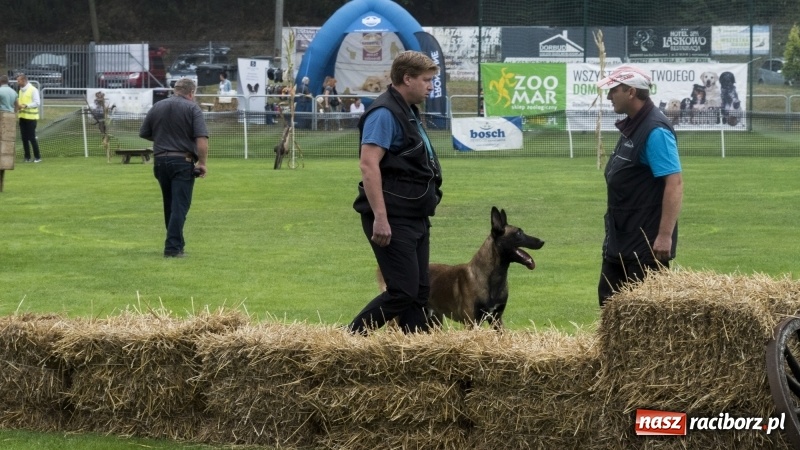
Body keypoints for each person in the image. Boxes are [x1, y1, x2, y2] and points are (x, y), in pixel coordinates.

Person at [348, 51, 443, 335]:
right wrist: (380, 217)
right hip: (392, 217)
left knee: (419, 292)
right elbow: (368, 164)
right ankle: (346, 339)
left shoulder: (408, 110)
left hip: (414, 215)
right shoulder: (384, 114)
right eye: (426, 80)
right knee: (402, 291)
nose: (430, 86)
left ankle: (415, 358)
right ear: (407, 78)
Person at [595, 65, 683, 307]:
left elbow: (674, 184)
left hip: (644, 246)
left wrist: (664, 236)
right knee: (609, 306)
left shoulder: (655, 130)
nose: (609, 95)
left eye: (614, 90)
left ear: (631, 92)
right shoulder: (634, 124)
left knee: (643, 319)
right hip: (620, 238)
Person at [139, 78, 209, 258]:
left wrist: (163, 139)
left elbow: (144, 133)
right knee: (180, 206)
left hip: (161, 161)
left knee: (169, 205)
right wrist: (202, 163)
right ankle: (172, 248)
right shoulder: (193, 108)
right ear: (191, 92)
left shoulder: (158, 106)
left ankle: (177, 244)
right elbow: (201, 139)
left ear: (175, 90)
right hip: (182, 161)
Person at [15, 74, 42, 163]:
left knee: (32, 138)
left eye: (18, 81)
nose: (17, 82)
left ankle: (37, 157)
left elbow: (37, 102)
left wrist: (26, 106)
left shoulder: (33, 89)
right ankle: (27, 157)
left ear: (24, 80)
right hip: (22, 117)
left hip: (31, 118)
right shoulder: (21, 90)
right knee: (24, 138)